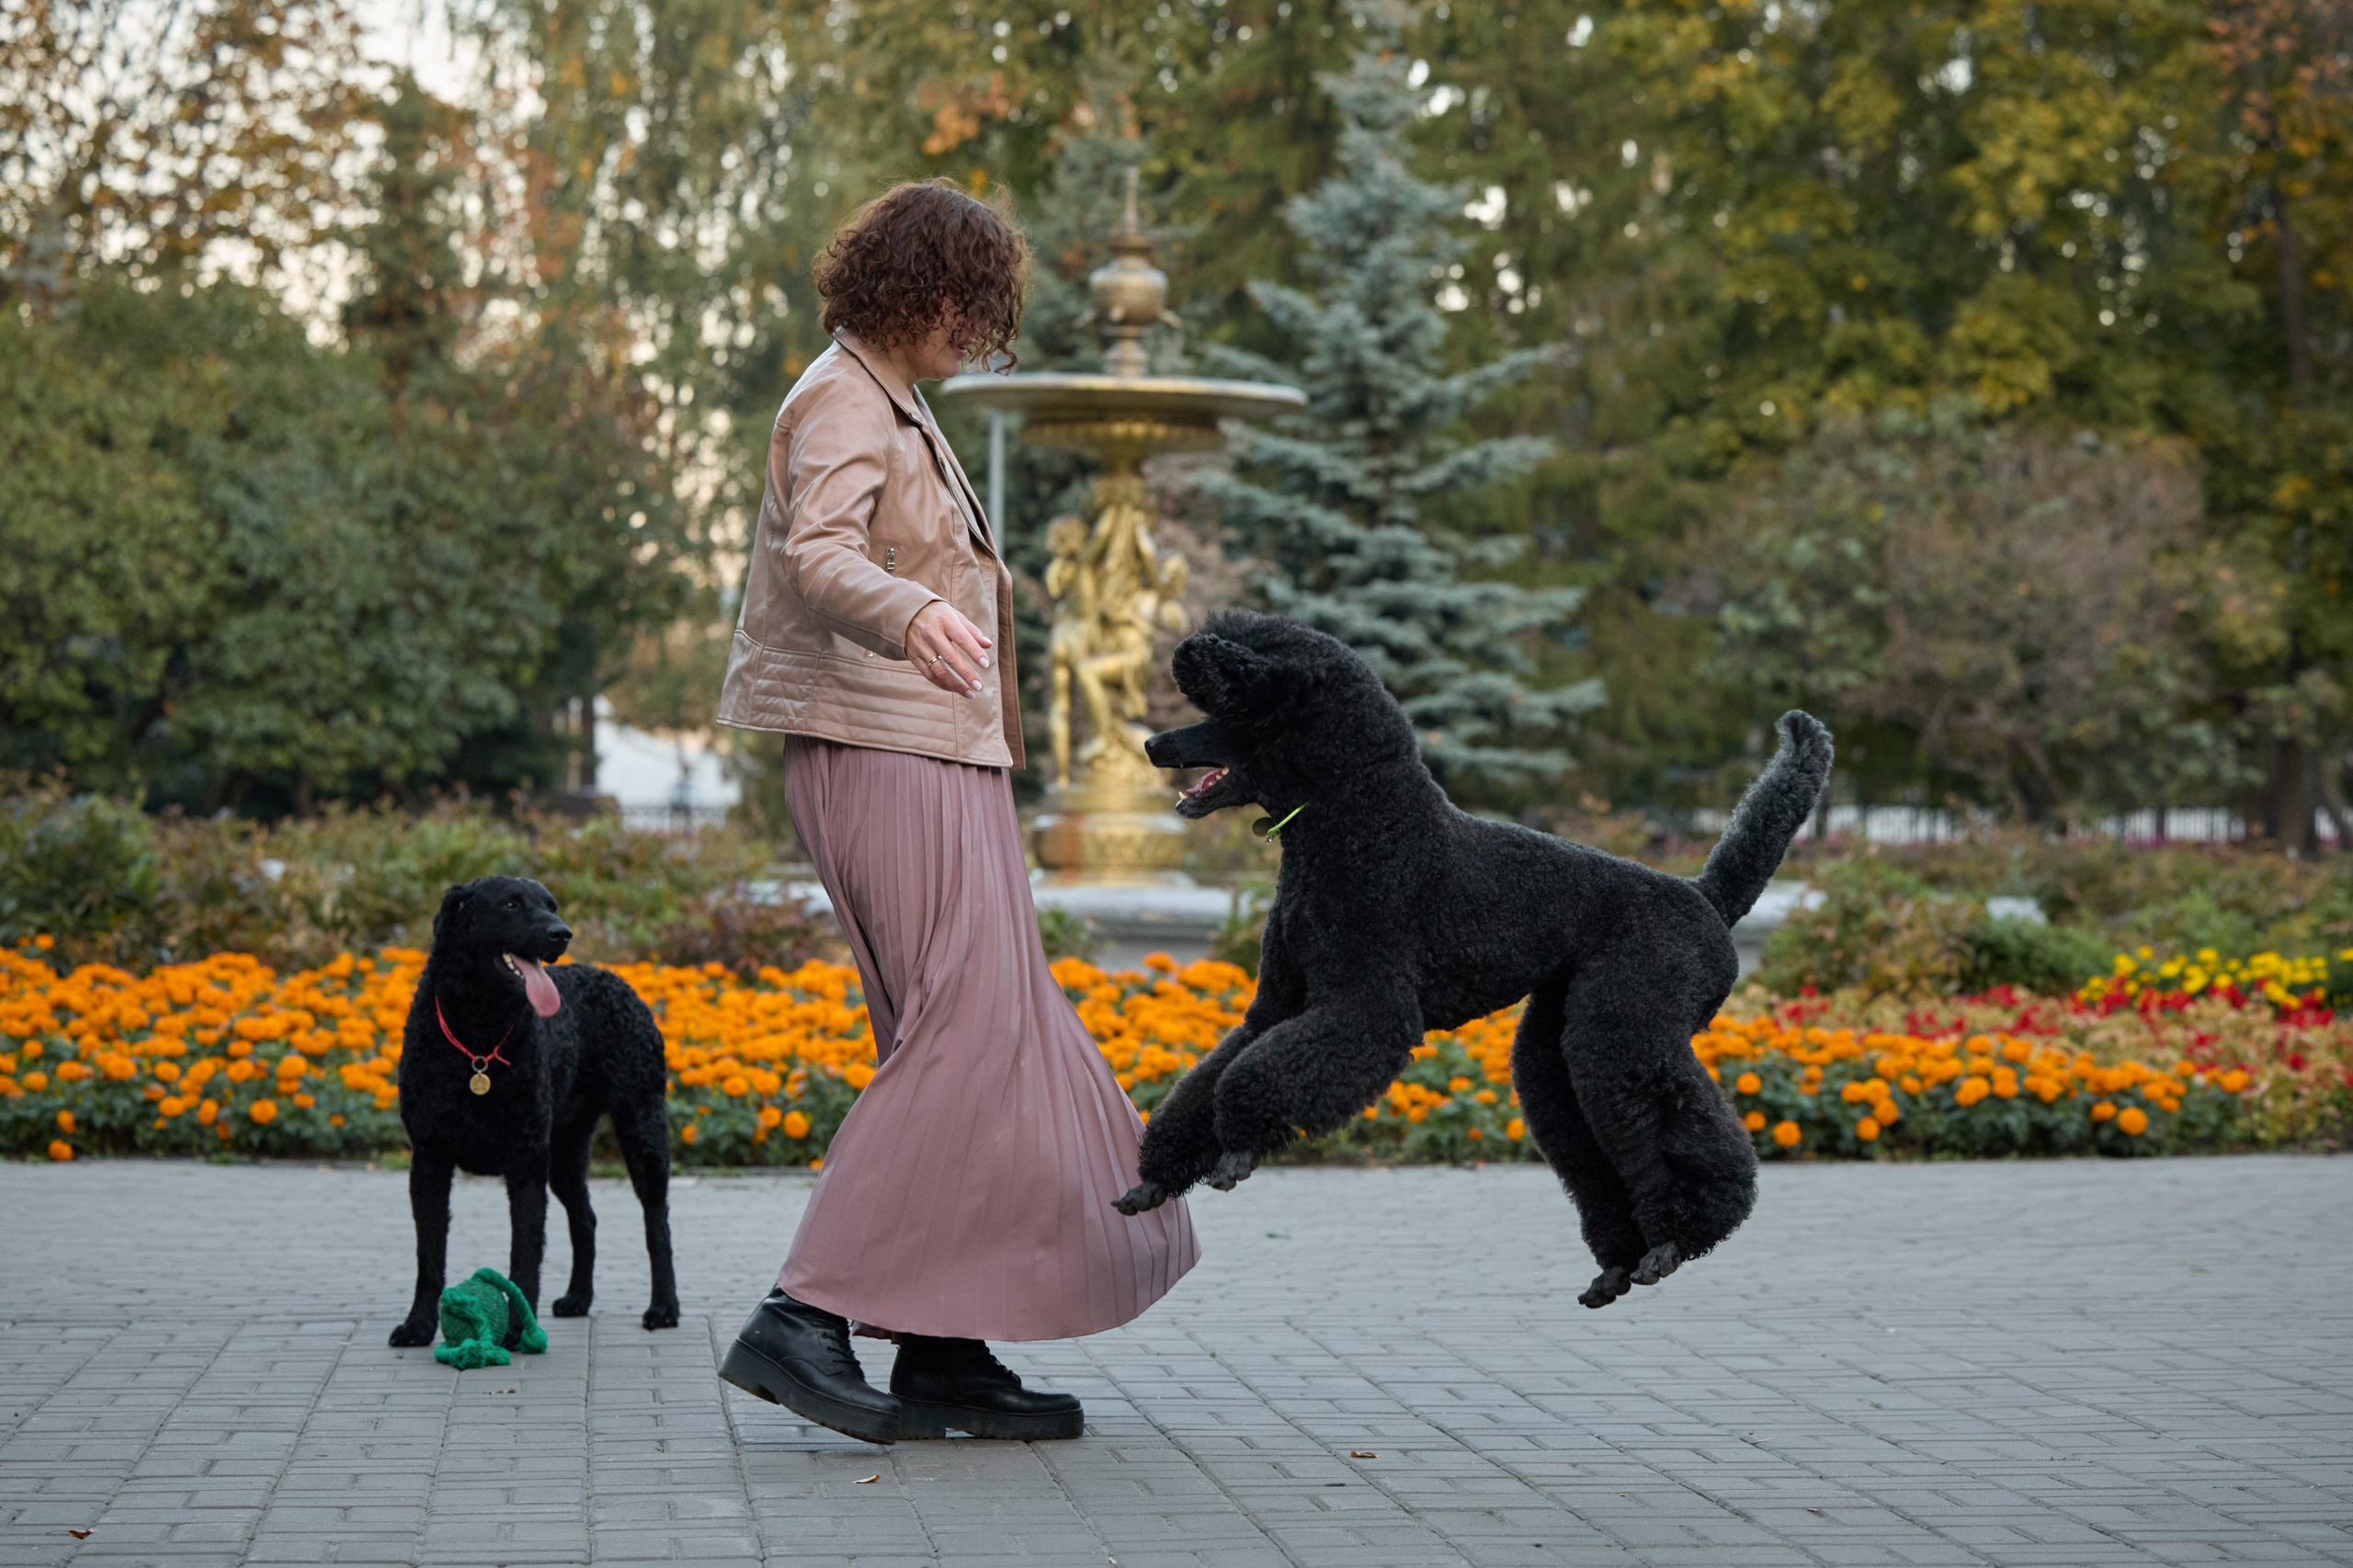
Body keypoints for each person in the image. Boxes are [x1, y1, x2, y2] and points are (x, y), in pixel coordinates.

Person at [711, 179, 1199, 1445]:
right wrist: (914, 611)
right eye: (972, 310)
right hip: (884, 750)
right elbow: (819, 554)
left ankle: (937, 1341)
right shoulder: (838, 397)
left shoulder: (892, 400)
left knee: (970, 1035)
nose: (979, 337)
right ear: (922, 289)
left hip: (937, 753)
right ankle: (802, 1315)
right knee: (967, 1034)